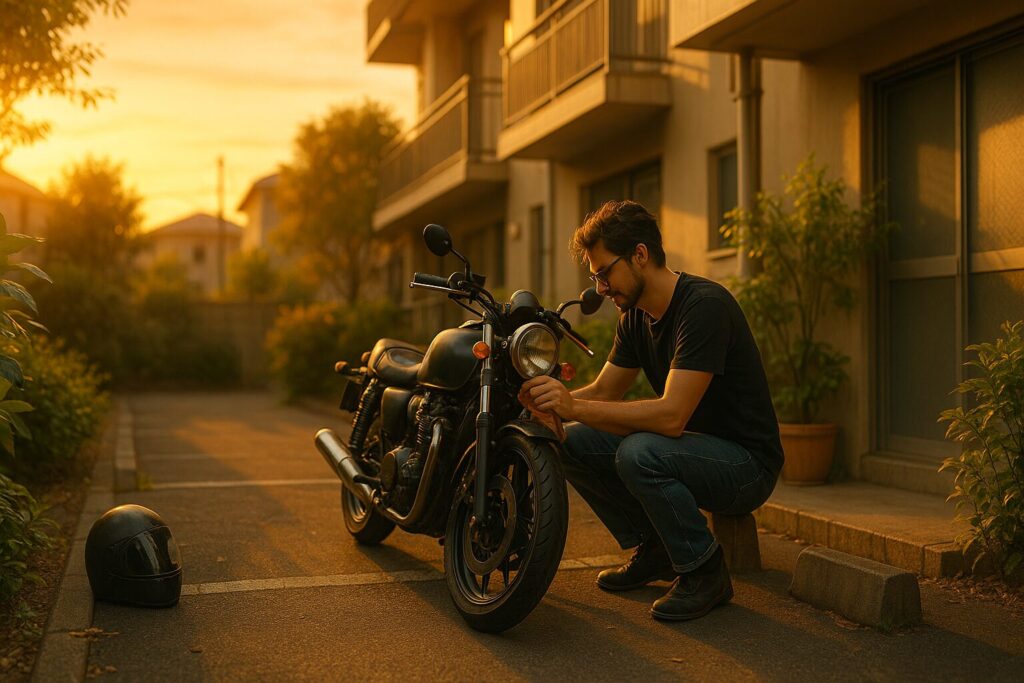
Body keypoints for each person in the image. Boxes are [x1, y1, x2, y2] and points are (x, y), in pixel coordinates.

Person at [519, 200, 783, 621]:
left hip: (746, 465)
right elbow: (604, 391)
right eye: (595, 277)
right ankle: (658, 546)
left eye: (605, 272)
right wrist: (552, 406)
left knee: (639, 452)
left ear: (640, 255)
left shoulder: (703, 306)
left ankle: (705, 572)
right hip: (692, 451)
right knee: (570, 440)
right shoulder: (635, 316)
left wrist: (574, 406)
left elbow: (670, 416)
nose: (601, 288)